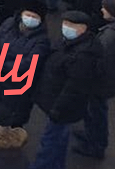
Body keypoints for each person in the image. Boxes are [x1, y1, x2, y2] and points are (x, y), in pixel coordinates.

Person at [28, 10, 103, 169]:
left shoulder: (83, 55)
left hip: (62, 108)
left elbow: (74, 88)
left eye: (71, 25)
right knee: (59, 140)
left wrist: (57, 109)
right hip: (59, 103)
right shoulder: (72, 43)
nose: (66, 28)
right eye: (65, 24)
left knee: (50, 142)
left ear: (83, 29)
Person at [73, 0, 115, 159]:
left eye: (105, 8)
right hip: (105, 82)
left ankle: (96, 146)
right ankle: (93, 136)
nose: (101, 10)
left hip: (99, 83)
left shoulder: (109, 37)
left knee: (96, 112)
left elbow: (100, 61)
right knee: (96, 110)